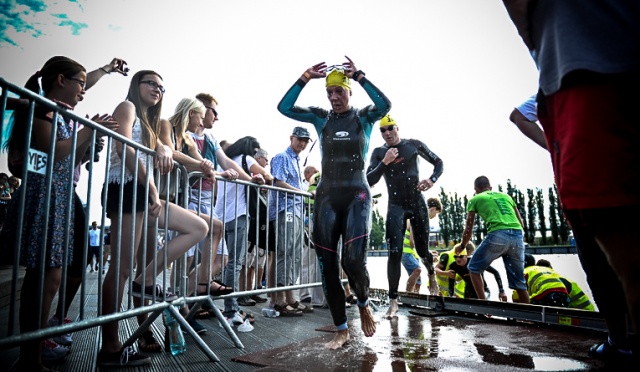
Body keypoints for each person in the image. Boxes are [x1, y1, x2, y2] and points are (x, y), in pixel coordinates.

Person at [502, 0, 639, 362]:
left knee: (607, 249)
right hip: (598, 70)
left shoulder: (563, 67)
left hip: (582, 78)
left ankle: (620, 341)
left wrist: (554, 148)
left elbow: (518, 115)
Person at [3, 56, 118, 371]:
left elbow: (72, 157)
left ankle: (35, 351)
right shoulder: (44, 107)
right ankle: (31, 356)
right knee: (44, 276)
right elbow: (55, 151)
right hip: (46, 194)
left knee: (51, 275)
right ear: (60, 81)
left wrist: (89, 138)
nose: (84, 89)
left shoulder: (62, 113)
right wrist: (87, 132)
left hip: (62, 193)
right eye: (80, 82)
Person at [277, 56, 391, 348]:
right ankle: (341, 329)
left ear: (349, 91)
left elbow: (385, 106)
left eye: (339, 91)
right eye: (329, 92)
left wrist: (361, 76)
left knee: (352, 260)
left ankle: (363, 302)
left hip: (357, 195)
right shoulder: (321, 117)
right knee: (327, 265)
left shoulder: (364, 116)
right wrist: (305, 76)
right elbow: (284, 107)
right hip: (327, 196)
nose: (334, 97)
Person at [98, 70, 209, 367]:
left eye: (162, 86)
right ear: (136, 85)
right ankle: (110, 346)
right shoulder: (127, 107)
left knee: (198, 227)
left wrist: (161, 151)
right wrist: (150, 187)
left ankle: (146, 278)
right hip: (127, 188)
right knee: (119, 268)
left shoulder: (152, 121)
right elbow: (123, 148)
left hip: (146, 192)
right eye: (151, 83)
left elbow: (163, 147)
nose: (158, 89)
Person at [366, 114, 444, 317]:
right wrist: (384, 162)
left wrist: (432, 180)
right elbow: (368, 180)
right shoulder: (379, 152)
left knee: (422, 250)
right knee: (394, 252)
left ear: (397, 128)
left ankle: (431, 273)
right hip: (396, 206)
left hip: (417, 203)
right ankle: (393, 301)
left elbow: (439, 162)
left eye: (390, 128)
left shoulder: (413, 145)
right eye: (383, 130)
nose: (387, 133)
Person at [214, 136, 270, 324]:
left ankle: (202, 305)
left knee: (216, 262)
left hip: (219, 215)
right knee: (234, 264)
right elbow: (267, 176)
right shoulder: (247, 159)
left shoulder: (223, 160)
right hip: (238, 216)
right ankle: (232, 310)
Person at [458, 176, 529, 304]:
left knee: (473, 268)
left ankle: (483, 304)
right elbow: (521, 223)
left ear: (476, 189)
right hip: (518, 236)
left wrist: (463, 246)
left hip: (498, 235)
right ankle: (529, 315)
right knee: (519, 282)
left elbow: (468, 229)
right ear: (490, 187)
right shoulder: (506, 196)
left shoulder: (475, 199)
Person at [264, 127, 311, 318]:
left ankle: (290, 297)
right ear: (291, 138)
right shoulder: (282, 157)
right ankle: (280, 300)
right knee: (285, 251)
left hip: (297, 210)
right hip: (286, 210)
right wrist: (302, 192)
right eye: (300, 139)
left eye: (306, 141)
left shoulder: (297, 160)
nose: (302, 143)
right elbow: (279, 182)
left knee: (294, 253)